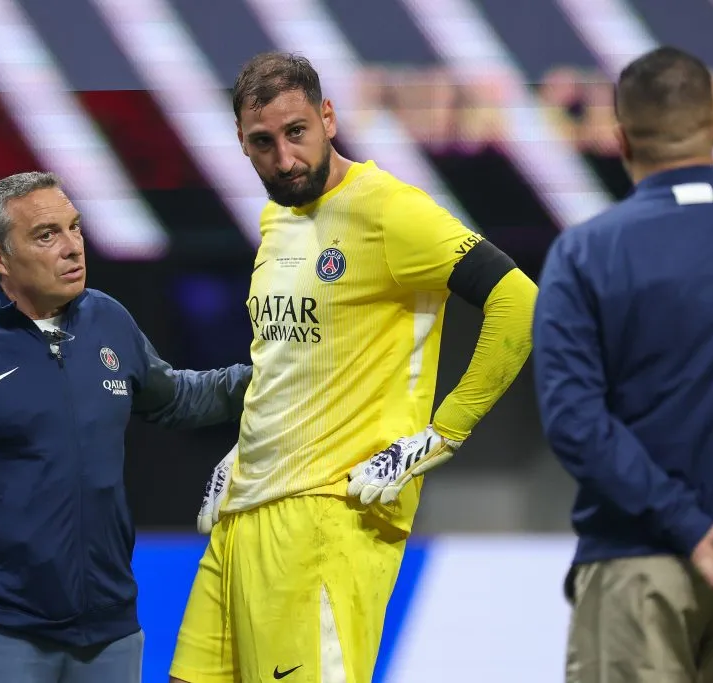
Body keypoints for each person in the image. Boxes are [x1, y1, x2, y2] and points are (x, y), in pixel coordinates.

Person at [168, 52, 538, 683]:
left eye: (297, 132)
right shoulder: (277, 216)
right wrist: (246, 449)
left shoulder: (390, 209)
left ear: (329, 118)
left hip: (327, 521)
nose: (285, 159)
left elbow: (520, 302)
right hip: (243, 516)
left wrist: (443, 433)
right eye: (263, 142)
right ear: (241, 143)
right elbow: (293, 358)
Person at [0, 171, 252, 683]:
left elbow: (177, 397)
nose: (72, 247)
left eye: (75, 227)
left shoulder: (108, 320)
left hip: (111, 629)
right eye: (46, 235)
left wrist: (274, 376)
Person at [532, 46, 713, 683]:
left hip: (636, 568)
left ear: (620, 138)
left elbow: (575, 420)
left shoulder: (584, 253)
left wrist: (688, 526)